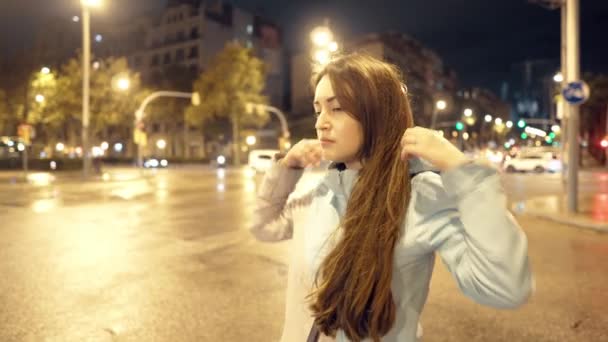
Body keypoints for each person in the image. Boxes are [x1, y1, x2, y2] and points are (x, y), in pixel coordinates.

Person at [250, 53, 533, 342]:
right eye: (318, 109)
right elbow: (264, 226)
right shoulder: (321, 189)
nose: (321, 122)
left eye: (336, 108)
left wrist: (460, 169)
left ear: (377, 113)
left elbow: (506, 287)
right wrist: (288, 167)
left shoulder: (418, 197)